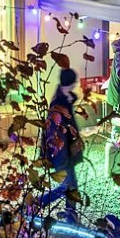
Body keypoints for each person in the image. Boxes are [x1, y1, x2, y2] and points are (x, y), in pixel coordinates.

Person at [38, 70, 85, 221]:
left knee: (72, 186)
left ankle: (70, 215)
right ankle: (38, 203)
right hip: (61, 153)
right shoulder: (59, 103)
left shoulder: (62, 97)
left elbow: (69, 105)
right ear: (70, 83)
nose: (76, 85)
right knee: (66, 187)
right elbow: (55, 134)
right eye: (75, 82)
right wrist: (62, 157)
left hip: (66, 152)